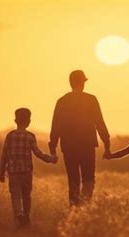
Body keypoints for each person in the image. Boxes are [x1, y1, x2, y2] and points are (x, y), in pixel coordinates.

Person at [49, 70, 110, 206]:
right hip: (87, 145)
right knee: (88, 178)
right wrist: (107, 145)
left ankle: (74, 210)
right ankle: (85, 209)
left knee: (73, 179)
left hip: (68, 146)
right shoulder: (91, 99)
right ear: (82, 83)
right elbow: (100, 122)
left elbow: (55, 126)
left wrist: (52, 148)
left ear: (70, 83)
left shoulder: (62, 101)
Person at [0, 108, 57, 227]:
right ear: (29, 121)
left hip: (13, 172)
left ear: (15, 120)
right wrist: (50, 159)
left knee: (15, 195)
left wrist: (1, 172)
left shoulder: (10, 136)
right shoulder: (30, 136)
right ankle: (26, 217)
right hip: (26, 172)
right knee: (26, 195)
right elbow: (38, 153)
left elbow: (4, 155)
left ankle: (18, 215)